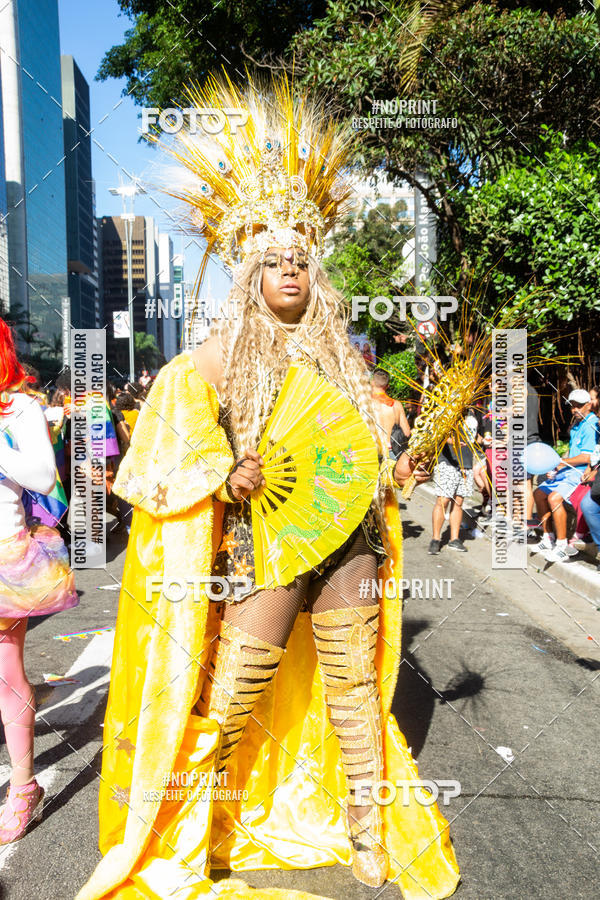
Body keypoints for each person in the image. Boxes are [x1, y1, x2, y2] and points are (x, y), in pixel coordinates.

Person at [77, 74, 459, 900]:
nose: (289, 269)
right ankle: (196, 829)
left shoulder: (344, 363)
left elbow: (354, 456)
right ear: (249, 275)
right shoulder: (213, 361)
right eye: (272, 260)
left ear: (315, 276)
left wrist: (401, 473)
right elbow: (155, 455)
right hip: (262, 541)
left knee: (355, 690)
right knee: (231, 689)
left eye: (300, 260)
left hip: (348, 538)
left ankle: (367, 830)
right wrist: (227, 470)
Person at [0, 319, 78, 844]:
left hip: (5, 556)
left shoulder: (19, 406)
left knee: (6, 676)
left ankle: (23, 788)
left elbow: (44, 478)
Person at [533, 389, 600, 563]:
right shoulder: (577, 423)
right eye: (572, 406)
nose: (574, 409)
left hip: (578, 473)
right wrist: (557, 465)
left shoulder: (592, 424)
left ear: (588, 405)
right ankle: (548, 537)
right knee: (538, 493)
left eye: (578, 406)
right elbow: (572, 450)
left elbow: (587, 457)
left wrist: (561, 462)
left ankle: (562, 545)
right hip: (567, 471)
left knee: (555, 498)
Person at [428, 408, 482, 554]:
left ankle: (454, 539)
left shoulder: (473, 412)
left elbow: (474, 436)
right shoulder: (450, 408)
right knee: (443, 500)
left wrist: (484, 441)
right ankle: (435, 539)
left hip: (466, 463)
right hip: (448, 462)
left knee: (458, 503)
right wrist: (453, 441)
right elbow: (436, 433)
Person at [370, 368, 411, 459]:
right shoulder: (396, 405)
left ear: (372, 383)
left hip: (372, 452)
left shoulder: (365, 404)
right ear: (387, 386)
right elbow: (407, 433)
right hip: (392, 452)